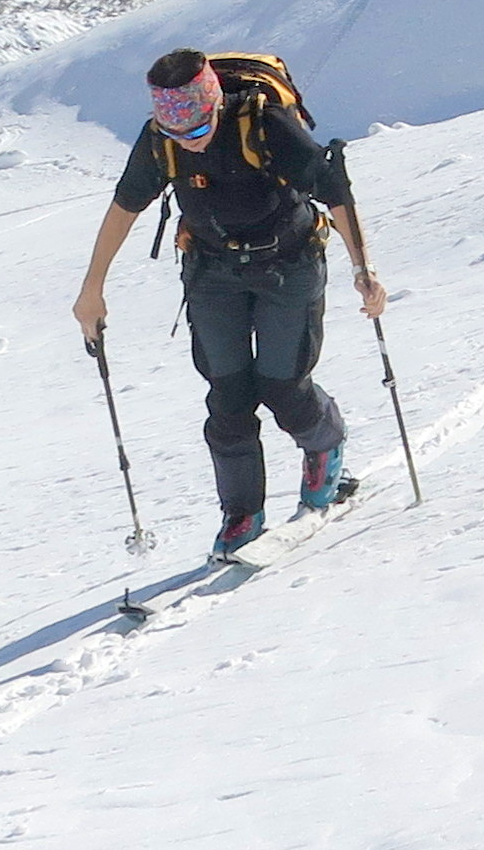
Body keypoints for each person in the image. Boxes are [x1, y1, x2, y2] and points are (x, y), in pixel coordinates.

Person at [71, 47, 388, 561]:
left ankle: (324, 446)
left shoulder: (264, 125)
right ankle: (242, 513)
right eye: (178, 133)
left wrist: (362, 270)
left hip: (288, 264)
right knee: (228, 395)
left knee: (283, 386)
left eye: (198, 129)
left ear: (216, 104)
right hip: (212, 271)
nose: (190, 142)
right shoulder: (160, 141)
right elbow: (125, 206)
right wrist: (92, 289)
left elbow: (334, 190)